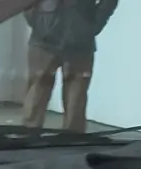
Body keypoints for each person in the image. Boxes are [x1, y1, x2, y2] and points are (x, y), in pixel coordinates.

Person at [21, 0, 119, 133]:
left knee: (76, 95)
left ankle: (73, 138)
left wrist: (93, 25)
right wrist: (37, 21)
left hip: (80, 41)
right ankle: (29, 135)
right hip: (44, 39)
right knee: (37, 90)